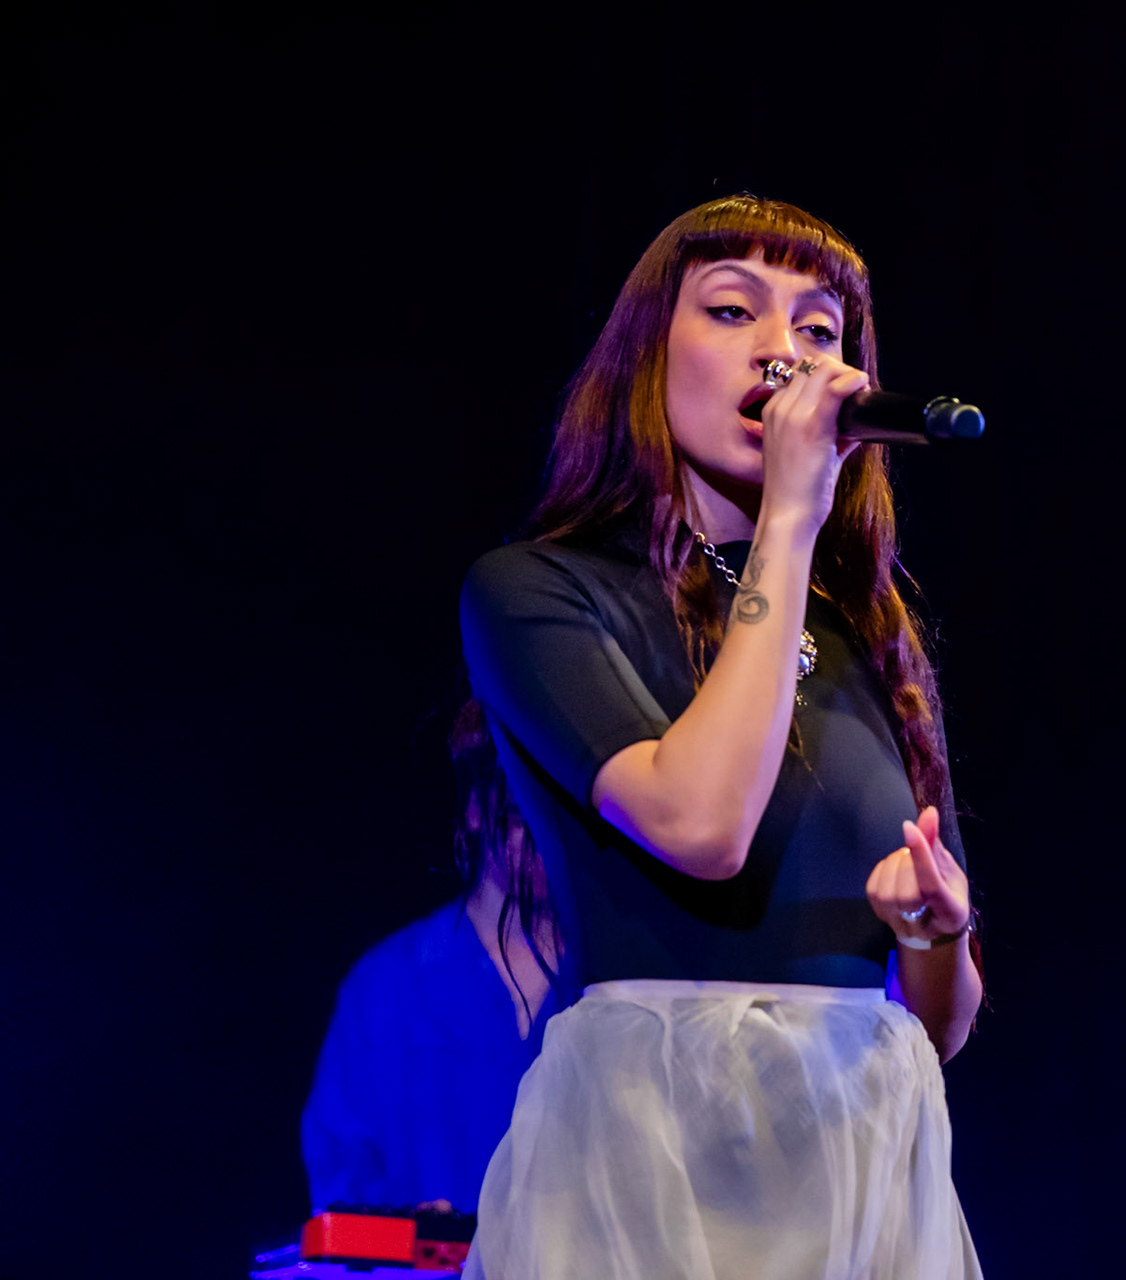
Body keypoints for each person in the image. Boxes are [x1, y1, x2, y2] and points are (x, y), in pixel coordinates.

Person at [458, 195, 983, 1279]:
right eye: (735, 310)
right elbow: (699, 824)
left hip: (855, 1159)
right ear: (649, 357)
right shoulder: (541, 590)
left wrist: (935, 933)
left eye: (821, 332)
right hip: (652, 1153)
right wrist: (791, 516)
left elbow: (940, 1025)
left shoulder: (865, 634)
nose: (784, 354)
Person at [300, 703, 557, 1215]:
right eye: (522, 810)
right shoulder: (385, 987)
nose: (546, 832)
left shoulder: (614, 977)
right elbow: (341, 1180)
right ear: (475, 808)